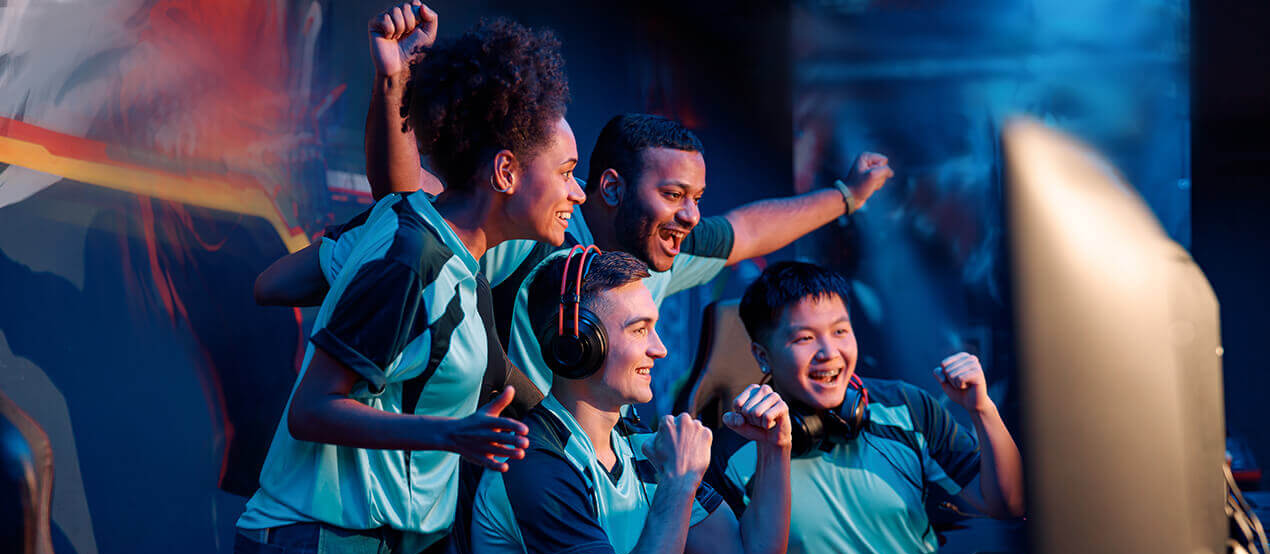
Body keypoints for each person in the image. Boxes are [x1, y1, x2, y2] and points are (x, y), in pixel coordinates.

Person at [254, 5, 895, 396]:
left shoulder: (665, 248)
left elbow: (749, 230)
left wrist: (846, 196)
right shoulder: (527, 235)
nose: (691, 215)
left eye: (697, 198)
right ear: (610, 188)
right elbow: (404, 205)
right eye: (674, 194)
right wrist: (398, 81)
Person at [228, 11, 582, 554]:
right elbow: (311, 409)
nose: (577, 193)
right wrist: (450, 434)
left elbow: (275, 283)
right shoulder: (410, 256)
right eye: (566, 172)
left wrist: (348, 251)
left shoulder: (436, 242)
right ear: (506, 172)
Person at [469, 249, 794, 554]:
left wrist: (774, 449)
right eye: (640, 330)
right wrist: (678, 485)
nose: (660, 349)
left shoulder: (641, 449)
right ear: (578, 343)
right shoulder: (534, 464)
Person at [716, 260, 1025, 554]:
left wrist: (982, 409)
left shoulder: (907, 407)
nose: (829, 352)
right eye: (804, 338)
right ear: (762, 355)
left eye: (840, 331)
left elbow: (1010, 504)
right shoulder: (733, 451)